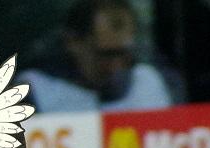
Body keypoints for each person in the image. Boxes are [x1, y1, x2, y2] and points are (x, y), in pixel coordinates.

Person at [19, 0, 177, 114]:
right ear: (73, 42)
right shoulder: (36, 89)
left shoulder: (147, 83)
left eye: (123, 54)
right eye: (106, 55)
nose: (116, 67)